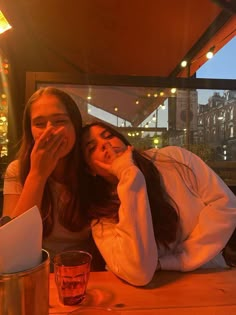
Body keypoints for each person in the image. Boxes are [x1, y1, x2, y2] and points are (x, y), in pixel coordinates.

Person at [81, 121, 236, 286]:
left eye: (108, 136)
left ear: (126, 144)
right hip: (147, 296)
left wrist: (174, 261)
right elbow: (139, 272)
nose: (105, 144)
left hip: (210, 278)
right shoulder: (102, 218)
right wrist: (129, 175)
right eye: (92, 148)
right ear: (90, 169)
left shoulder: (174, 158)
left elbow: (225, 205)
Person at [2, 87, 104, 270]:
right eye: (40, 124)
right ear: (30, 131)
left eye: (60, 121)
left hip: (87, 274)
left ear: (75, 125)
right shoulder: (17, 170)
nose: (50, 131)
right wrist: (37, 175)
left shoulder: (92, 169)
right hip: (36, 273)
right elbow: (12, 250)